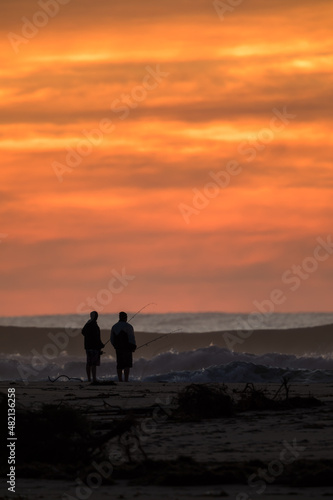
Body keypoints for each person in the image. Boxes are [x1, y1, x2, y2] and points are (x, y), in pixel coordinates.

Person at [110, 311, 136, 382]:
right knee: (127, 365)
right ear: (125, 317)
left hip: (118, 348)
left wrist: (115, 346)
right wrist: (133, 347)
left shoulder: (114, 326)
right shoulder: (129, 326)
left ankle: (120, 380)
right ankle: (126, 380)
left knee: (119, 364)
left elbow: (112, 339)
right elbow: (131, 338)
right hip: (127, 348)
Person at [81, 311, 104, 383]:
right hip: (94, 347)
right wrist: (100, 345)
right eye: (96, 316)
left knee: (89, 363)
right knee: (94, 364)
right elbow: (96, 338)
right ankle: (93, 379)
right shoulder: (94, 326)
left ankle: (89, 379)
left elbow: (83, 332)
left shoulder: (87, 324)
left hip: (88, 347)